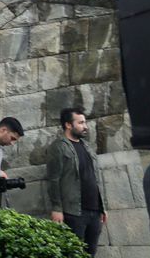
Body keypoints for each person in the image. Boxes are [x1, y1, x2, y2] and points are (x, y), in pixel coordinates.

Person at [47, 107, 108, 256]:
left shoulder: (87, 147)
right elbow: (53, 179)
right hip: (74, 212)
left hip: (94, 210)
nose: (85, 126)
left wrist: (102, 206)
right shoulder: (58, 147)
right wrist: (57, 208)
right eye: (80, 123)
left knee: (91, 252)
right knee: (73, 253)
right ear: (68, 125)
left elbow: (95, 178)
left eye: (85, 122)